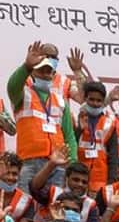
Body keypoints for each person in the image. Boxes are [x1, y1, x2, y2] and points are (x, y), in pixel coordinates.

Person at [8, 42, 78, 192]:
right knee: (26, 206)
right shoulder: (22, 94)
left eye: (49, 72)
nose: (46, 75)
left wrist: (72, 164)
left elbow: (69, 136)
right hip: (29, 162)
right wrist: (26, 66)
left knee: (55, 208)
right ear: (33, 73)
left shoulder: (61, 101)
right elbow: (12, 86)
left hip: (58, 164)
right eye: (41, 71)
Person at [74, 81, 119, 193]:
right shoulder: (75, 118)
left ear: (103, 101)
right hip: (76, 179)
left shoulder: (110, 123)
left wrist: (111, 180)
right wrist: (79, 129)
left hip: (100, 181)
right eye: (91, 99)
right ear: (85, 99)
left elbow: (113, 155)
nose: (95, 103)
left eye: (99, 100)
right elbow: (70, 144)